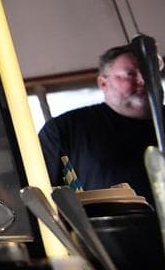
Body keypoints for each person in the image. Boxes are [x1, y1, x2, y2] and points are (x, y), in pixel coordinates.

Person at [39, 45, 159, 206]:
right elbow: (39, 192)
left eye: (150, 72)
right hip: (106, 229)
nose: (143, 80)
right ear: (103, 83)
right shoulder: (65, 129)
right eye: (130, 74)